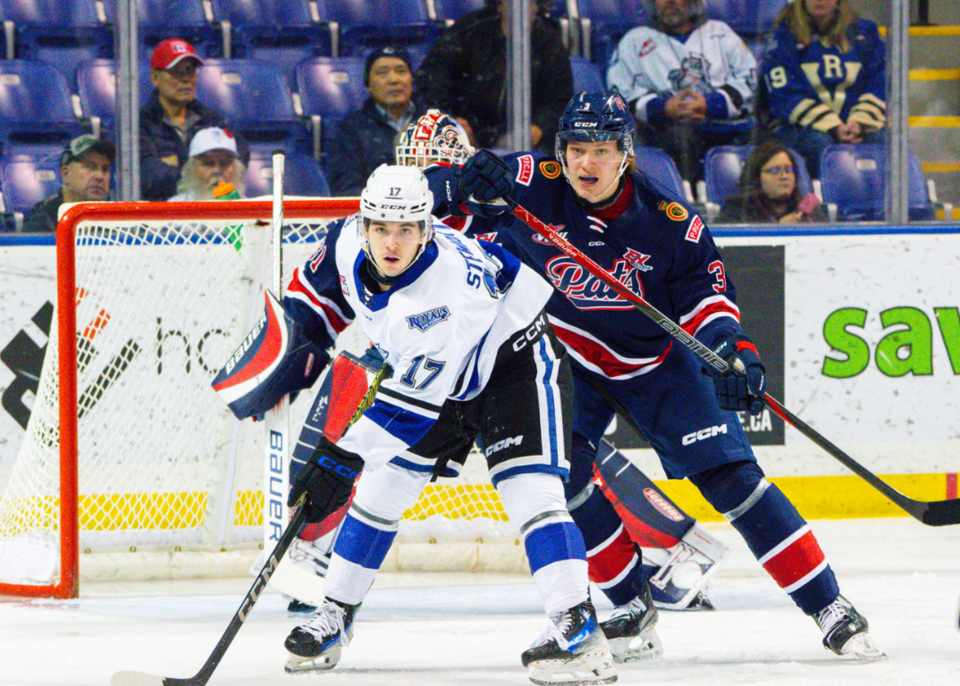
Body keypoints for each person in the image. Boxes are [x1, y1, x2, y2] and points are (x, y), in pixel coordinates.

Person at [421, 90, 885, 661]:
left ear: (627, 153)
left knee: (735, 482)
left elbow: (707, 296)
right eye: (575, 149)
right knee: (561, 478)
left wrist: (730, 350)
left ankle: (829, 605)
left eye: (602, 149)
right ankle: (632, 604)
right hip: (565, 356)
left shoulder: (669, 221)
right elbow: (437, 199)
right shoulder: (528, 179)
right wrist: (462, 183)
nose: (586, 164)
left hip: (655, 363)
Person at [213, 165, 617, 683]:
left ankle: (576, 630)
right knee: (380, 492)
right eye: (380, 227)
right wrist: (296, 341)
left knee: (531, 492)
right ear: (363, 223)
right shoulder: (343, 239)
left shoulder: (438, 301)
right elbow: (317, 296)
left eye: (406, 230)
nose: (392, 241)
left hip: (511, 357)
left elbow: (407, 412)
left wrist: (337, 461)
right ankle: (335, 615)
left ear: (428, 229)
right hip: (430, 375)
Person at [396, 108, 729, 615]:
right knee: (557, 470)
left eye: (438, 164)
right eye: (417, 165)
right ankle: (656, 562)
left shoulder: (491, 206)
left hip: (518, 362)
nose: (428, 173)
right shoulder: (411, 222)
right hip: (464, 365)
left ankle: (670, 550)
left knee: (558, 468)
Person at [606, 0, 757, 182]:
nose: (670, 2)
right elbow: (619, 93)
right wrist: (663, 108)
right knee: (681, 141)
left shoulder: (721, 33)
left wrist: (710, 104)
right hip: (669, 129)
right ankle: (687, 204)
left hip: (727, 125)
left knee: (767, 140)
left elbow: (750, 78)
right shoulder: (634, 41)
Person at [415, 0, 572, 154]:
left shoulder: (550, 41)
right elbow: (432, 75)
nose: (521, 7)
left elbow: (561, 98)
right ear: (499, 4)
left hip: (526, 145)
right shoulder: (470, 29)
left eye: (530, 2)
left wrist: (539, 127)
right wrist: (449, 119)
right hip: (465, 139)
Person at [759, 0, 885, 177]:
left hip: (852, 126)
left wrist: (858, 123)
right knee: (821, 144)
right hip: (799, 129)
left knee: (884, 140)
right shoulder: (783, 35)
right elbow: (785, 94)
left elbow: (879, 83)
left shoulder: (864, 32)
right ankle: (821, 201)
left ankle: (878, 203)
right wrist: (833, 126)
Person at [140, 37, 250, 201]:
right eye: (176, 71)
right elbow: (150, 178)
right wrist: (196, 168)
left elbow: (240, 153)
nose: (186, 79)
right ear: (155, 77)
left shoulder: (209, 118)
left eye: (190, 70)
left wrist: (190, 165)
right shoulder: (140, 123)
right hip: (158, 216)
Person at [326, 45, 430, 196]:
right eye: (382, 73)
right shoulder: (351, 128)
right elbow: (345, 185)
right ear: (368, 85)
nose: (394, 80)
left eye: (401, 71)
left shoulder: (434, 122)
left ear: (412, 79)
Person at [716, 141, 827, 224]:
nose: (784, 176)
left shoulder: (809, 210)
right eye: (775, 171)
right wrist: (776, 231)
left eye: (789, 170)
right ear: (756, 176)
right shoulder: (737, 211)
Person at [22, 135, 115, 234]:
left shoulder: (117, 222)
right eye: (90, 167)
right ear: (65, 173)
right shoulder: (41, 226)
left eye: (105, 169)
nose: (100, 176)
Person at [168, 127, 246, 201]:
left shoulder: (250, 209)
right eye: (208, 163)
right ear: (192, 169)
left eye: (224, 163)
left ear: (236, 168)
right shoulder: (174, 208)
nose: (217, 170)